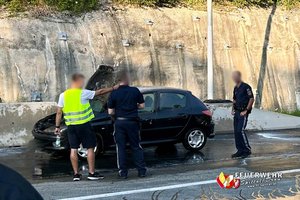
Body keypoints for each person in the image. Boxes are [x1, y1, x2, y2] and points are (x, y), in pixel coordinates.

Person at [55, 73, 119, 181]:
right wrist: (113, 88)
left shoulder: (63, 95)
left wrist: (57, 127)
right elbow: (100, 92)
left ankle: (76, 174)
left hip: (71, 126)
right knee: (90, 148)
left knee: (73, 149)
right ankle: (91, 173)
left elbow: (58, 112)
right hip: (84, 125)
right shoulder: (83, 93)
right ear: (78, 82)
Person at [107, 71, 147, 179]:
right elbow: (142, 106)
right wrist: (134, 107)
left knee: (121, 147)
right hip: (133, 122)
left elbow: (110, 112)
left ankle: (123, 173)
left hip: (119, 122)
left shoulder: (114, 93)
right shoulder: (135, 91)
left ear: (118, 81)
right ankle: (141, 171)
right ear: (127, 80)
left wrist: (118, 110)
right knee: (136, 146)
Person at [231, 71, 254, 159]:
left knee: (240, 130)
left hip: (242, 112)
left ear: (239, 77)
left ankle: (247, 150)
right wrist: (233, 109)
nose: (234, 78)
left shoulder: (246, 87)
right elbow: (234, 100)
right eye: (233, 77)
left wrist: (246, 110)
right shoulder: (235, 88)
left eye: (235, 76)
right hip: (236, 112)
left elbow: (251, 99)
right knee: (236, 131)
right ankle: (240, 150)